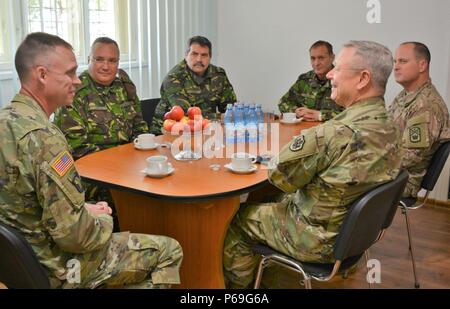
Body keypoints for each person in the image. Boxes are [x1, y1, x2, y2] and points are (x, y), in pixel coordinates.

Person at [0, 32, 182, 288]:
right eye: (70, 73)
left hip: (18, 263)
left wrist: (83, 208)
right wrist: (105, 219)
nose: (77, 80)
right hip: (57, 266)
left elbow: (29, 203)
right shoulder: (45, 139)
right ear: (42, 75)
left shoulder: (7, 120)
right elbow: (77, 237)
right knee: (169, 250)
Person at [223, 40, 402, 288]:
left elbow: (279, 177)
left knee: (238, 219)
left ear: (362, 79)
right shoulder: (391, 126)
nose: (329, 73)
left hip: (318, 239)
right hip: (355, 235)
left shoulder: (332, 134)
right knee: (265, 201)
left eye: (337, 68)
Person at [54, 37, 148, 227]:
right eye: (99, 59)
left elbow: (139, 127)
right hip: (92, 175)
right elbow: (77, 148)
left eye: (112, 61)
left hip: (129, 167)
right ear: (89, 59)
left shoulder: (125, 86)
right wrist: (123, 166)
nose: (106, 66)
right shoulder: (74, 92)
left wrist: (141, 157)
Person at [388, 42, 450, 198]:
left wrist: (366, 159)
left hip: (401, 180)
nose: (395, 66)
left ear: (422, 65)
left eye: (403, 61)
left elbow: (409, 156)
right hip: (390, 171)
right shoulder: (406, 95)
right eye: (395, 61)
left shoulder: (426, 106)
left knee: (338, 178)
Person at [152, 36, 237, 133]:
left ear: (210, 57)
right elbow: (185, 116)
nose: (199, 59)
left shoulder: (218, 75)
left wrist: (230, 116)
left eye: (204, 55)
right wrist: (220, 117)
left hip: (205, 130)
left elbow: (231, 109)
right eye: (194, 54)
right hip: (168, 134)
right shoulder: (174, 78)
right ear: (186, 55)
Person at [278, 40, 343, 121]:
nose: (316, 63)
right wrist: (296, 112)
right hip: (304, 130)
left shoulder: (343, 80)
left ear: (332, 58)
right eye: (313, 58)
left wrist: (320, 115)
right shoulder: (304, 79)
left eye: (321, 58)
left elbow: (352, 114)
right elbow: (283, 102)